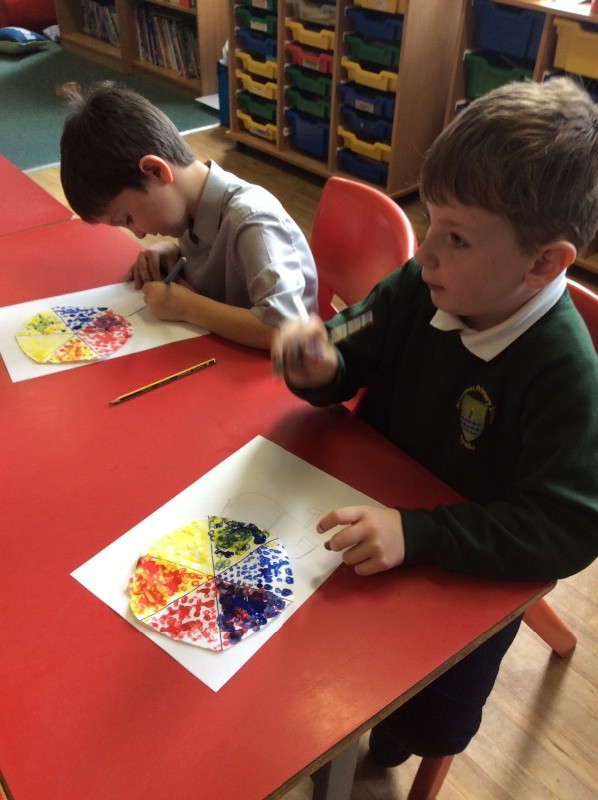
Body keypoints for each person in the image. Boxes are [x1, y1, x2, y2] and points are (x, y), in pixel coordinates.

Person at [271, 77, 598, 766]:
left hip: (458, 578)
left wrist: (417, 534)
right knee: (300, 667)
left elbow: (568, 531)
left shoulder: (566, 374)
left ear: (543, 263)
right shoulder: (418, 286)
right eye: (429, 221)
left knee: (423, 719)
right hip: (352, 529)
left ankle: (392, 747)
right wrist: (318, 365)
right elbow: (348, 347)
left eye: (456, 238)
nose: (424, 254)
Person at [59, 81, 318, 350]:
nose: (139, 233)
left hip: (277, 370)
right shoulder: (190, 210)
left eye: (127, 219)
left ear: (156, 171)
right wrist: (173, 253)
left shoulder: (253, 222)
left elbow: (286, 329)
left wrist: (187, 307)